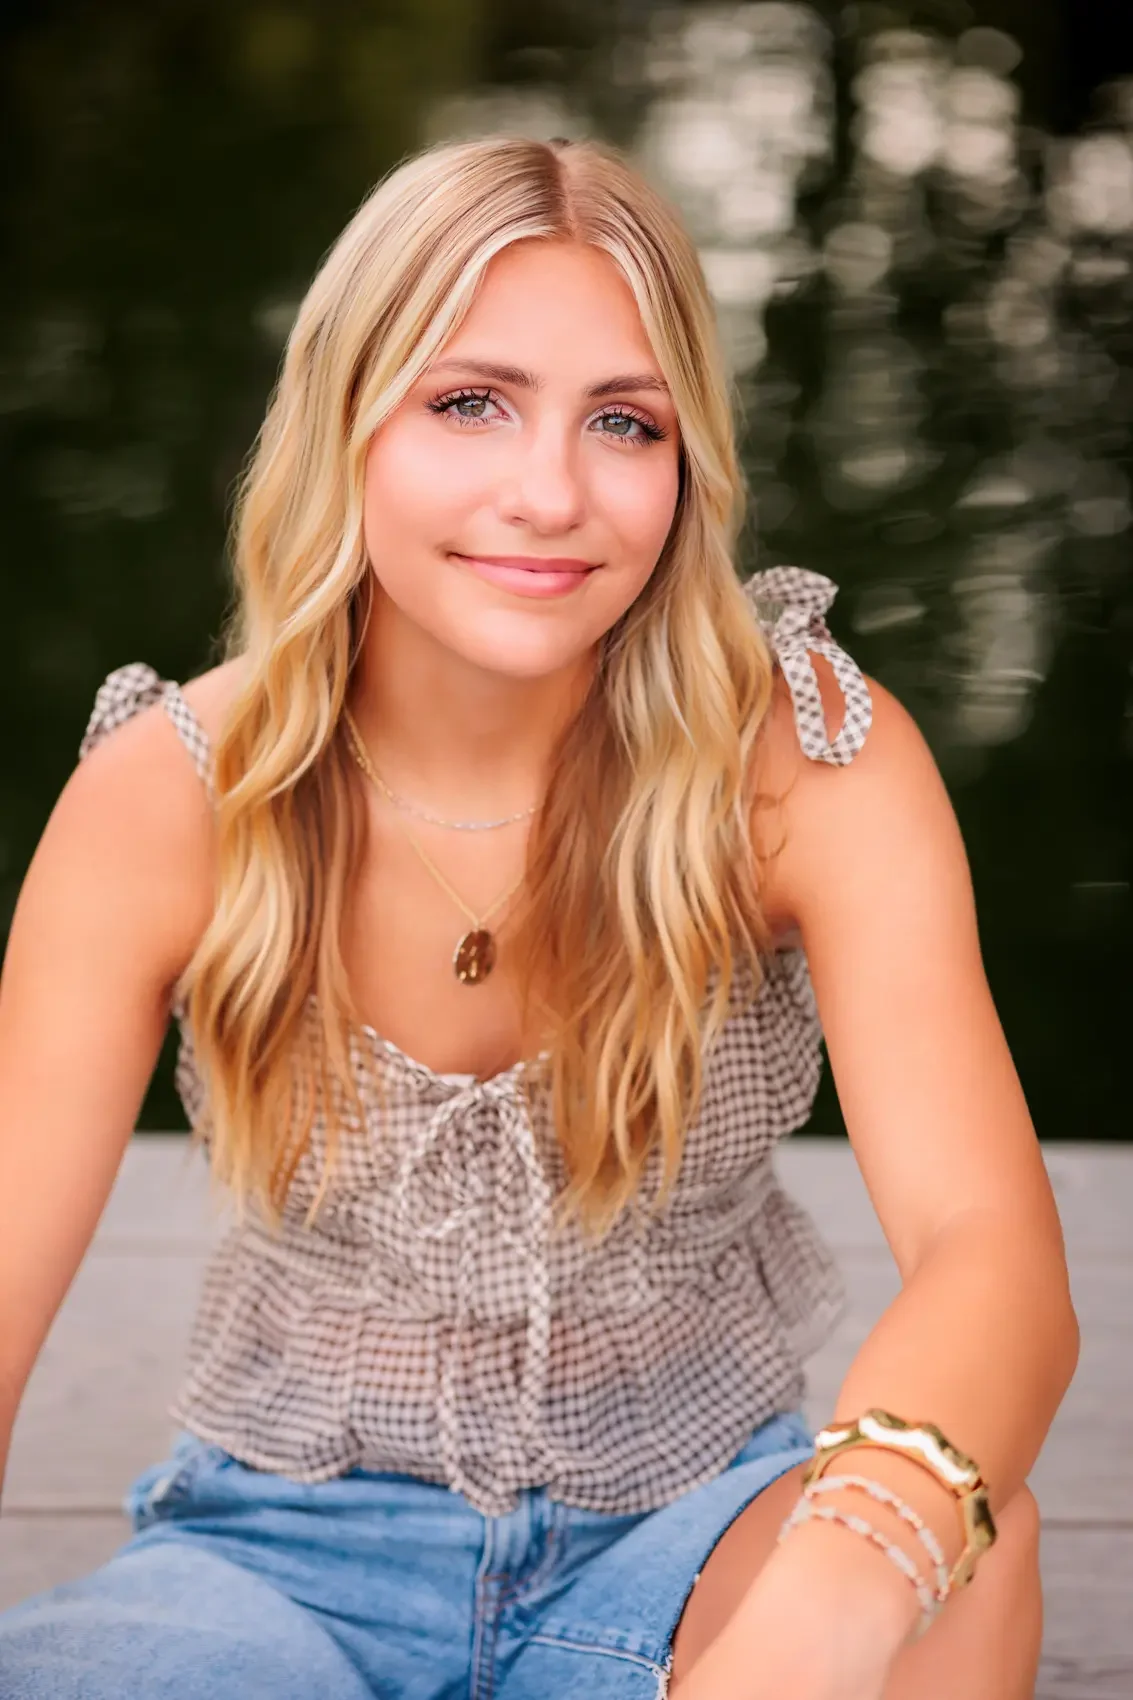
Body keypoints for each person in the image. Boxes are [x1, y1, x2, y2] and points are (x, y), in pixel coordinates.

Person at [0, 134, 1076, 1700]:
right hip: (273, 1569)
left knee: (971, 1559)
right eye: (468, 402)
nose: (551, 493)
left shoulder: (808, 763)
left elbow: (993, 1250)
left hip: (695, 1535)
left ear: (685, 459)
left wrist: (824, 1602)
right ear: (344, 422)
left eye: (622, 421)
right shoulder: (172, 795)